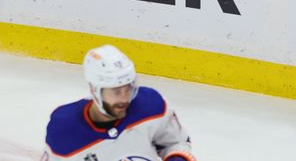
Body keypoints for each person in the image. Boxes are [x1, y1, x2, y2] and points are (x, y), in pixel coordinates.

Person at [42, 44, 196, 160]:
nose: (124, 98)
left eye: (128, 89)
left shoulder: (151, 106)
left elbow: (175, 143)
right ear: (95, 90)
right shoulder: (64, 129)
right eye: (116, 92)